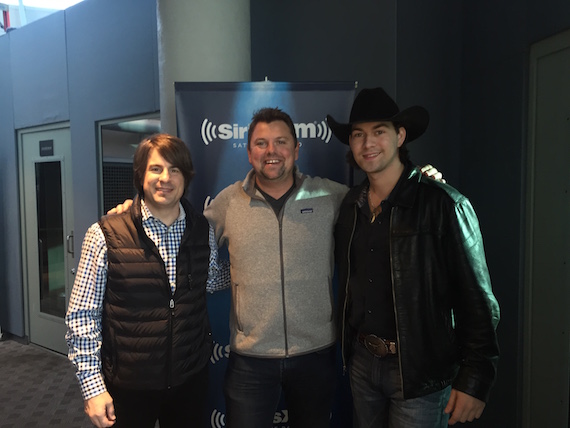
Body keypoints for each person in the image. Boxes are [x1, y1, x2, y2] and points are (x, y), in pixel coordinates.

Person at [110, 109, 443, 428]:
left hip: (316, 356)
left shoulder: (330, 195)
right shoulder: (228, 202)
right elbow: (179, 226)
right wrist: (134, 209)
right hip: (249, 361)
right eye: (261, 143)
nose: (272, 151)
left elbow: (380, 193)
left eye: (281, 142)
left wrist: (419, 178)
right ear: (249, 153)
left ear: (296, 149)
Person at [327, 87, 500, 427]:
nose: (368, 143)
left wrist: (475, 379)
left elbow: (479, 300)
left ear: (400, 135)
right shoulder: (349, 207)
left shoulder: (443, 204)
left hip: (419, 371)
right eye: (359, 135)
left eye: (379, 132)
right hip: (362, 364)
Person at [65, 133, 218, 428]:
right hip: (128, 387)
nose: (166, 178)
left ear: (186, 177)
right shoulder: (104, 234)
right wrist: (92, 388)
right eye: (156, 168)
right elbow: (82, 316)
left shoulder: (202, 230)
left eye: (175, 170)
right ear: (140, 174)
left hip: (190, 380)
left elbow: (209, 281)